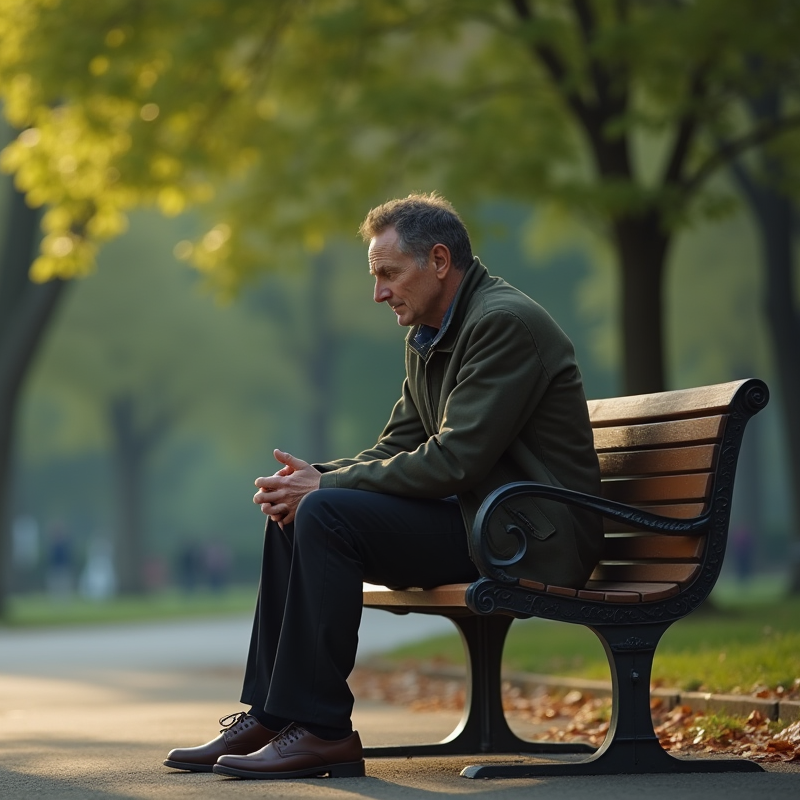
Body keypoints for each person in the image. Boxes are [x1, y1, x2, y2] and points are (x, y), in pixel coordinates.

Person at [164, 193, 602, 780]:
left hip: (530, 535)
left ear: (439, 261)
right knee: (298, 509)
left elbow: (456, 461)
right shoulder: (432, 332)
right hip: (486, 519)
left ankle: (323, 731)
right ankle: (273, 713)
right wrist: (312, 481)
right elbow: (397, 447)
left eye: (389, 274)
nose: (379, 292)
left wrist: (325, 489)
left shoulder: (502, 323)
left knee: (324, 512)